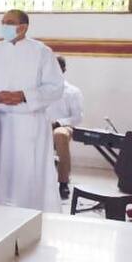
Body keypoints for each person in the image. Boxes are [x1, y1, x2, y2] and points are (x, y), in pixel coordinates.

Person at [0, 10, 64, 210]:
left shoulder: (42, 52)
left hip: (30, 122)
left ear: (23, 27)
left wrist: (25, 95)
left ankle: (30, 211)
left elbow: (55, 87)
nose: (4, 26)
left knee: (28, 172)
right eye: (3, 22)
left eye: (9, 22)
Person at [48, 55, 84, 199]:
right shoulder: (39, 89)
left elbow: (78, 117)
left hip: (63, 127)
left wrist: (57, 123)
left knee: (60, 135)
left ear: (63, 69)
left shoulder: (72, 91)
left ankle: (63, 182)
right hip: (41, 125)